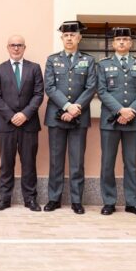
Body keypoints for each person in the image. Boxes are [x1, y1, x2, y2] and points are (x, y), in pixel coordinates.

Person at [43, 21, 97, 215]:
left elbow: (91, 87)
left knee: (77, 161)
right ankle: (53, 199)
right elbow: (49, 87)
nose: (69, 38)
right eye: (66, 35)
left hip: (79, 116)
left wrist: (76, 108)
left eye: (73, 35)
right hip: (56, 116)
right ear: (62, 38)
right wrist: (67, 106)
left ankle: (76, 200)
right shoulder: (52, 60)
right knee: (55, 161)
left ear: (79, 38)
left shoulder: (89, 61)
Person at [97, 27, 136, 216]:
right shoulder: (103, 65)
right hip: (110, 121)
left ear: (131, 43)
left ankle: (132, 202)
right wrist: (120, 110)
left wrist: (131, 111)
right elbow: (101, 91)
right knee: (107, 162)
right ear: (113, 44)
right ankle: (109, 201)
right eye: (118, 39)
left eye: (125, 39)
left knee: (131, 163)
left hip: (133, 121)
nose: (121, 42)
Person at [0, 35, 44, 212]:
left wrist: (25, 114)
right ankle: (4, 198)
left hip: (28, 124)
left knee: (29, 162)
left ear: (24, 48)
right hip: (6, 125)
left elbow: (38, 94)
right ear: (7, 47)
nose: (16, 48)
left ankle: (30, 199)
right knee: (6, 163)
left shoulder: (34, 68)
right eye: (13, 45)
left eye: (19, 45)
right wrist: (11, 115)